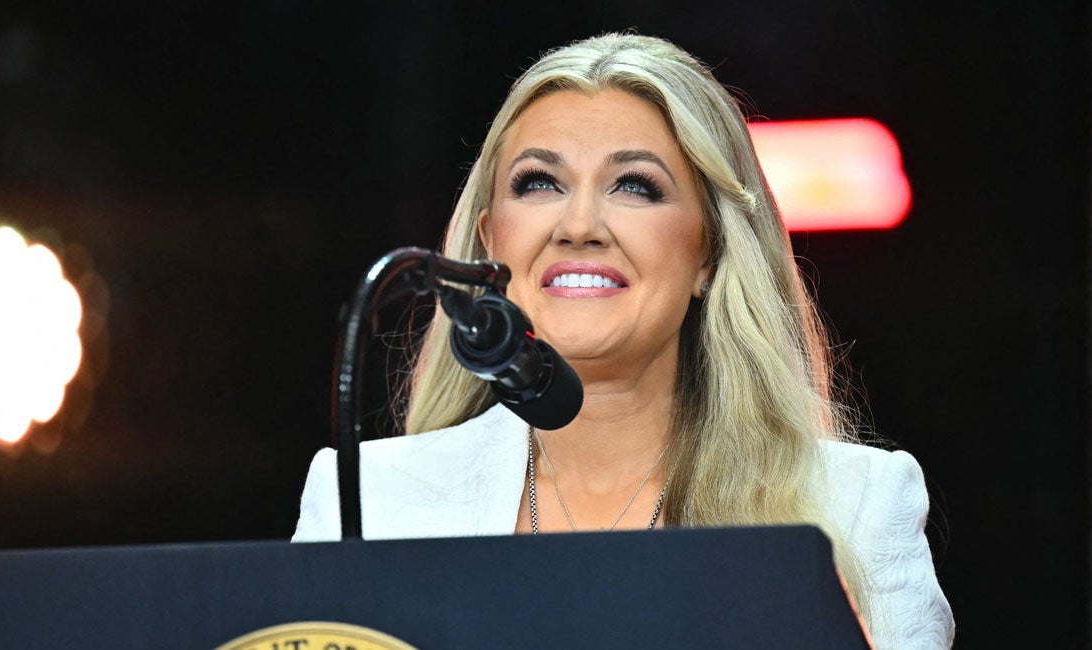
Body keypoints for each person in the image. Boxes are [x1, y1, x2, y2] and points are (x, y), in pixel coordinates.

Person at [293, 33, 953, 648]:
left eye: (635, 186)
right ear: (491, 244)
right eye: (540, 183)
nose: (579, 224)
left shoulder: (853, 505)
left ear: (709, 253)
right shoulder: (368, 502)